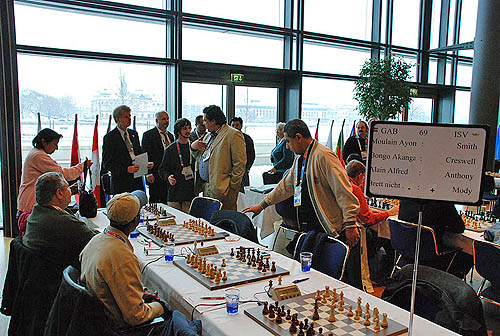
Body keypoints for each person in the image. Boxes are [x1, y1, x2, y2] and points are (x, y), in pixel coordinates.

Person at [243, 119, 363, 288]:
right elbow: (285, 186)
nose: (287, 147)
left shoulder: (324, 156)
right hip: (311, 228)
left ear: (298, 137)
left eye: (288, 141)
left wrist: (350, 223)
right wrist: (262, 204)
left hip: (331, 228)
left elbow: (343, 191)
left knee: (332, 277)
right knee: (313, 275)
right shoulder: (301, 159)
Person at [80, 192, 170, 331]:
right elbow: (136, 316)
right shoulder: (123, 257)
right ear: (135, 221)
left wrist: (141, 293)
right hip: (115, 326)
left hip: (95, 319)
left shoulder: (95, 240)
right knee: (176, 315)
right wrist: (161, 307)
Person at [23, 172, 97, 268]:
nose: (70, 191)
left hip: (44, 272)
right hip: (63, 273)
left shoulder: (36, 213)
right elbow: (97, 241)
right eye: (68, 188)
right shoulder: (61, 221)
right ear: (59, 193)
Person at [17, 128, 91, 216]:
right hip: (30, 205)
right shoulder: (38, 156)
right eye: (55, 144)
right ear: (44, 142)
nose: (56, 148)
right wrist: (82, 166)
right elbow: (61, 175)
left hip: (29, 204)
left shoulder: (35, 153)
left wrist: (69, 190)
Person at [191, 105, 246, 210]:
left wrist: (232, 189)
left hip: (223, 189)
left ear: (213, 121)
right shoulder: (208, 136)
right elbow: (201, 157)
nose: (204, 123)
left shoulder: (233, 134)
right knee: (209, 223)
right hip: (206, 187)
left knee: (222, 223)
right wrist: (193, 147)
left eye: (206, 120)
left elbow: (239, 164)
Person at [102, 105, 153, 194]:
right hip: (121, 182)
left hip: (137, 179)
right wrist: (126, 169)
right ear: (118, 119)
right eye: (126, 117)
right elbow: (107, 164)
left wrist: (145, 164)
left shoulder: (133, 134)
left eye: (130, 116)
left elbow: (138, 153)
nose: (129, 119)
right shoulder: (110, 137)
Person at [158, 118, 196, 213]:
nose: (188, 131)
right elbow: (162, 170)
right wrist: (168, 177)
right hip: (175, 192)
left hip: (190, 192)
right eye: (184, 129)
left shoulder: (193, 147)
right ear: (178, 131)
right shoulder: (170, 149)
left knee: (189, 222)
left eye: (189, 128)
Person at [142, 111, 175, 203]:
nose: (166, 121)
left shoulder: (171, 136)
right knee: (155, 201)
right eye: (164, 119)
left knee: (167, 200)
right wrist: (148, 173)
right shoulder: (148, 135)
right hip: (155, 174)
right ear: (157, 121)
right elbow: (145, 155)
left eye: (167, 119)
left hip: (167, 174)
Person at [230, 117, 255, 187]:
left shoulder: (247, 138)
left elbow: (251, 155)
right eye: (233, 125)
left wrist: (247, 168)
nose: (235, 127)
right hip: (231, 171)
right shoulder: (228, 139)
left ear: (241, 126)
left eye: (237, 125)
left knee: (245, 192)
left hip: (243, 170)